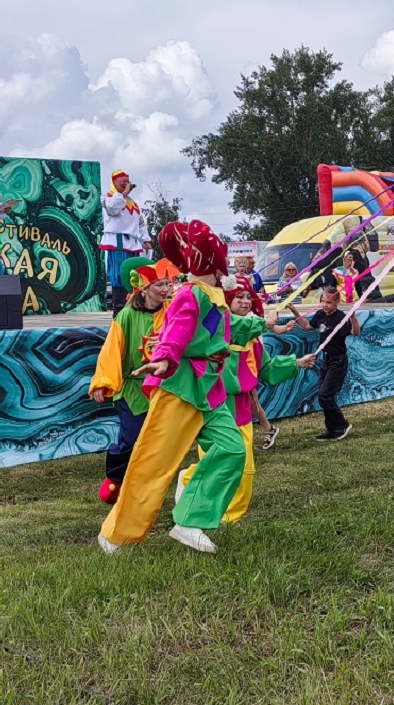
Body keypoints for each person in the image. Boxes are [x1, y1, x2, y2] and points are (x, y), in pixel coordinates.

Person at [98, 220, 267, 554]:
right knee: (153, 463)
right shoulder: (191, 294)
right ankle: (116, 534)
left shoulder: (213, 295)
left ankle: (190, 520)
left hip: (209, 391)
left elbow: (225, 327)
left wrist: (262, 322)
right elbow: (179, 328)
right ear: (213, 261)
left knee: (233, 450)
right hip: (180, 387)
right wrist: (165, 358)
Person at [176, 275, 313, 523]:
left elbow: (267, 368)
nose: (245, 301)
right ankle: (190, 483)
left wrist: (296, 362)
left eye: (249, 297)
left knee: (245, 468)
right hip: (215, 407)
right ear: (228, 300)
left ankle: (230, 517)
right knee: (216, 462)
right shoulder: (216, 334)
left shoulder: (252, 340)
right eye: (239, 297)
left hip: (240, 410)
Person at [89, 257, 174, 504]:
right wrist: (104, 380)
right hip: (135, 390)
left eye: (168, 284)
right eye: (160, 285)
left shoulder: (172, 312)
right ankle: (116, 479)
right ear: (144, 287)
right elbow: (112, 350)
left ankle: (146, 486)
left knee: (159, 441)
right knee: (131, 440)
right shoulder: (126, 316)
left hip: (165, 387)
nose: (166, 290)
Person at [310, 288, 362, 440]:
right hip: (325, 359)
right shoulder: (320, 314)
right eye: (323, 301)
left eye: (328, 302)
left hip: (337, 360)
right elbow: (308, 325)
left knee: (325, 395)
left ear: (337, 302)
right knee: (325, 397)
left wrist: (353, 318)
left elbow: (356, 333)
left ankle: (341, 425)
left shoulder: (340, 317)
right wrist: (294, 311)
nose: (325, 305)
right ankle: (331, 429)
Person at [100, 170, 152, 313]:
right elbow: (113, 209)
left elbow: (140, 223)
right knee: (118, 275)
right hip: (117, 243)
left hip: (133, 244)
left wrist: (146, 239)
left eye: (127, 181)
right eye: (122, 181)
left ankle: (132, 308)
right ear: (114, 182)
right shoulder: (108, 197)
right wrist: (122, 194)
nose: (126, 184)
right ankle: (118, 309)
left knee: (133, 275)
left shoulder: (133, 203)